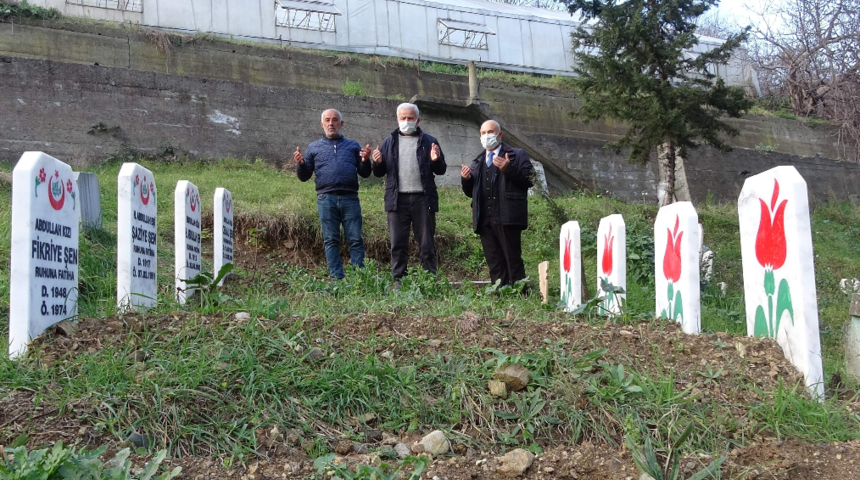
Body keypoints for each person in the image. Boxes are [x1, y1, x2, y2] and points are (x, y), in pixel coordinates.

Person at [371, 103, 447, 284]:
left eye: (410, 118)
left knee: (426, 244)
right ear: (397, 120)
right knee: (398, 243)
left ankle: (429, 280)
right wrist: (378, 162)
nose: (406, 121)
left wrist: (435, 161)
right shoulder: (388, 142)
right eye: (403, 118)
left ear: (418, 120)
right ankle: (399, 280)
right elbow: (379, 172)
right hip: (397, 200)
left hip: (423, 199)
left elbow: (442, 169)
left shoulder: (430, 141)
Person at [295, 109, 372, 279]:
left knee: (356, 239)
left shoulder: (352, 145)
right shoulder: (314, 148)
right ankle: (337, 277)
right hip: (326, 199)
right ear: (322, 124)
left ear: (341, 123)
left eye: (335, 120)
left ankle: (360, 277)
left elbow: (365, 173)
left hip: (350, 198)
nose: (331, 123)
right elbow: (304, 176)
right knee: (330, 240)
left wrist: (366, 161)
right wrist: (300, 164)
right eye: (327, 120)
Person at [461, 120, 534, 287]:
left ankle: (519, 292)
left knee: (512, 257)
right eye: (483, 133)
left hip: (508, 214)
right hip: (484, 218)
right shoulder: (477, 161)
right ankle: (500, 291)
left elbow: (530, 180)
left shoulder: (517, 154)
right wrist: (465, 180)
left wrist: (509, 169)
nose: (487, 136)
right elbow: (469, 192)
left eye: (490, 132)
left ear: (499, 135)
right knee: (494, 259)